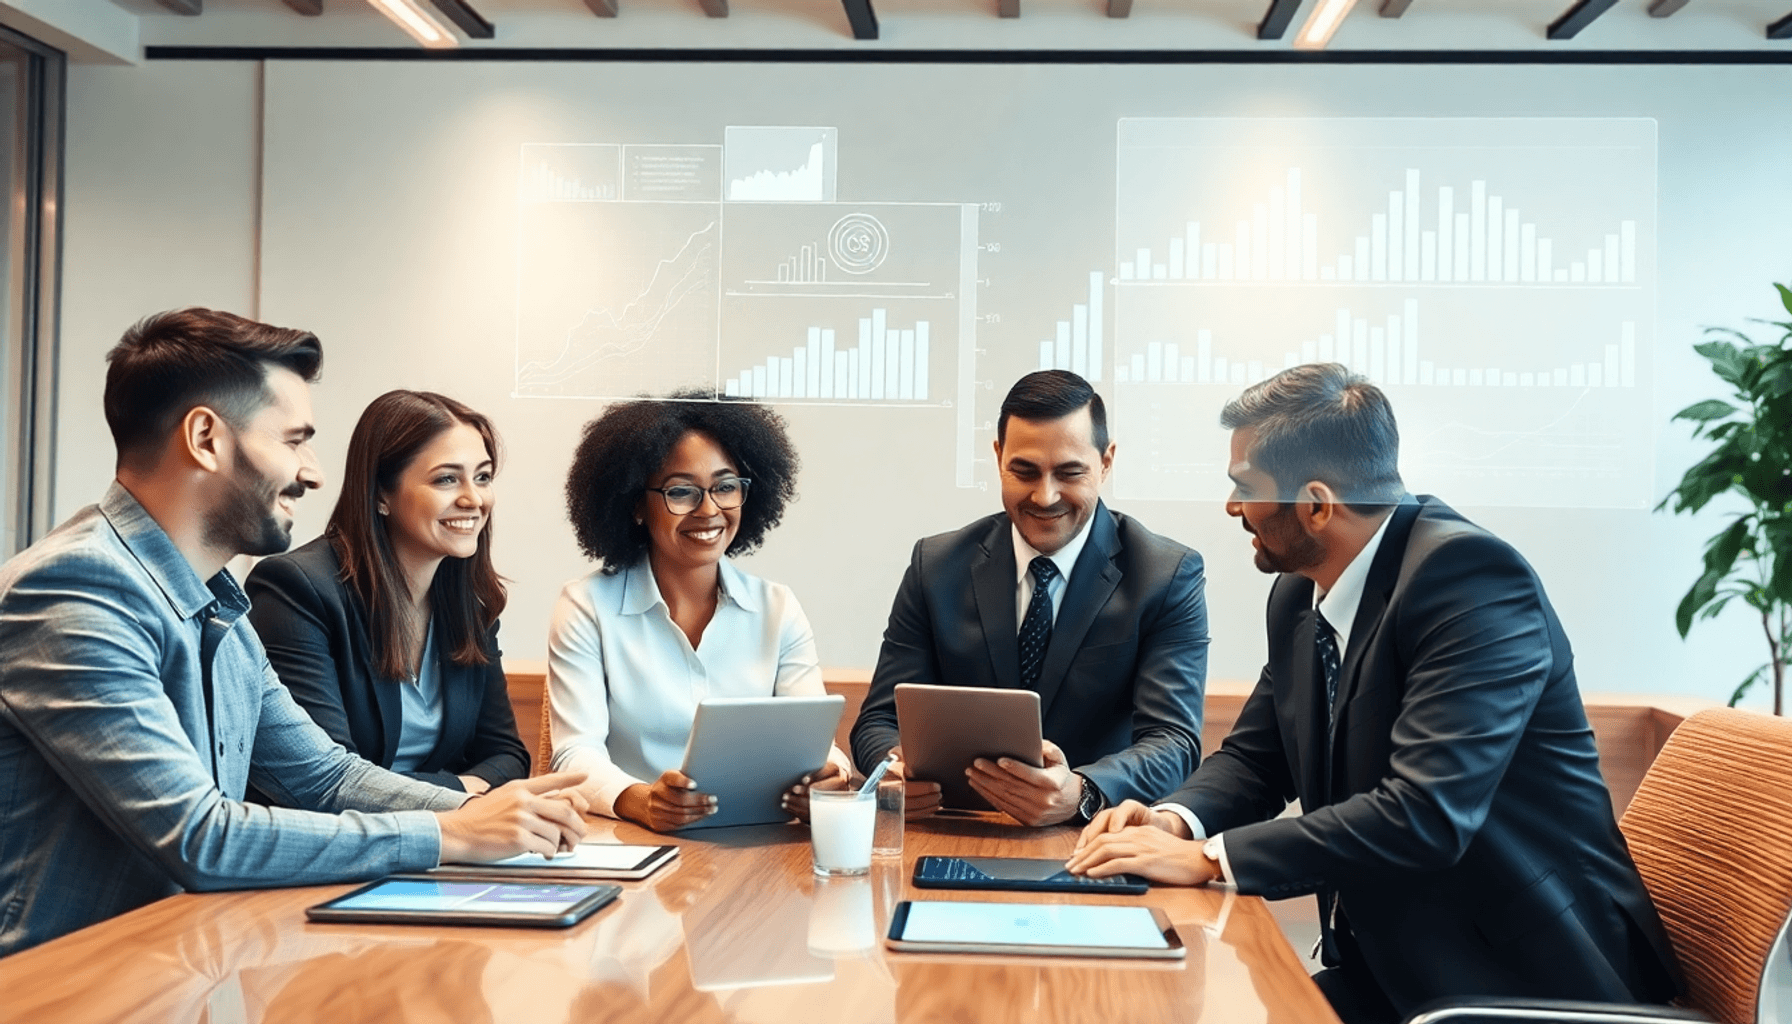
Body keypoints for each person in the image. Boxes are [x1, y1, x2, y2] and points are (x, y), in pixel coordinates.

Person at [1067, 363, 1681, 1022]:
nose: (1232, 508)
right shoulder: (1299, 593)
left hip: (1526, 984)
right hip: (1395, 970)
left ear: (1317, 504)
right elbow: (1255, 759)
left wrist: (1210, 859)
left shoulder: (1471, 582)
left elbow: (1426, 814)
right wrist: (1173, 820)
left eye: (1245, 487)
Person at [0, 308, 587, 957]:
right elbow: (200, 836)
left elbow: (325, 777)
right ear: (205, 437)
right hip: (62, 979)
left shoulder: (216, 599)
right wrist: (451, 835)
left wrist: (476, 815)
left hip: (176, 959)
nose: (312, 472)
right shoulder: (75, 587)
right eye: (292, 440)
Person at [850, 370, 1208, 827]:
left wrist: (1082, 791)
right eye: (1024, 471)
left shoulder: (1167, 574)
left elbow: (1174, 742)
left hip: (1096, 836)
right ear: (998, 457)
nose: (1046, 495)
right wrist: (893, 768)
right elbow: (878, 720)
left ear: (1106, 462)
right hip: (956, 829)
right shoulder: (935, 565)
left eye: (1069, 472)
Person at [546, 391, 850, 832]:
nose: (709, 510)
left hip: (760, 850)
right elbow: (575, 754)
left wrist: (828, 776)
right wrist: (641, 800)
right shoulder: (587, 606)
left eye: (726, 487)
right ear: (635, 504)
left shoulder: (777, 608)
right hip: (635, 844)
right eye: (681, 492)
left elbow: (814, 740)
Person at [245, 390, 529, 796]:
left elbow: (507, 755)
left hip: (440, 844)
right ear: (381, 494)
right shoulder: (297, 590)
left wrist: (453, 798)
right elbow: (325, 780)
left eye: (482, 477)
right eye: (447, 479)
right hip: (333, 847)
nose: (474, 499)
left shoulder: (469, 603)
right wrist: (460, 793)